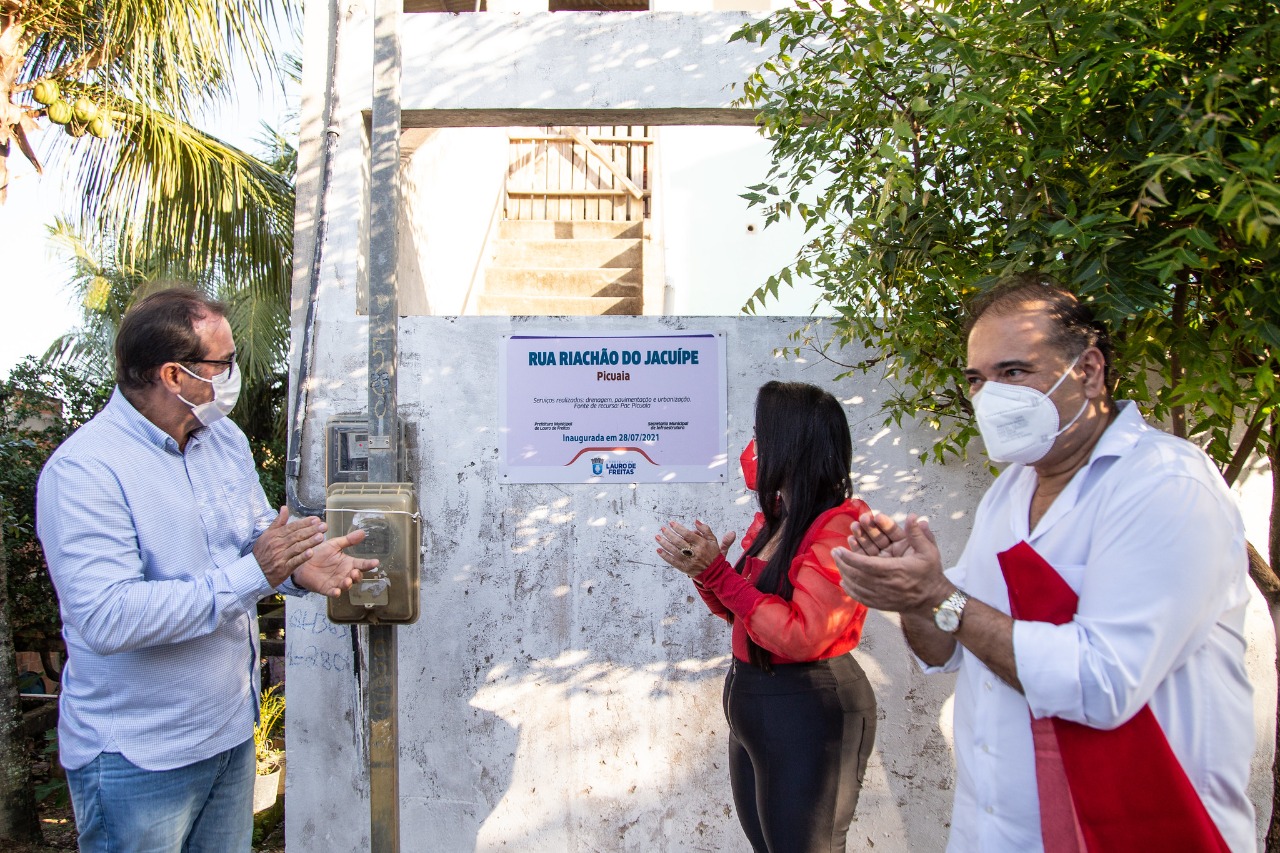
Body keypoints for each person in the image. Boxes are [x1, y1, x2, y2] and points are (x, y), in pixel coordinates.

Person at [833, 274, 1255, 852]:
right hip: (1003, 830)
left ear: (1087, 370)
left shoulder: (1163, 485)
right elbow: (950, 648)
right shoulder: (1008, 494)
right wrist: (912, 599)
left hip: (1136, 825)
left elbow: (1101, 686)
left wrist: (939, 596)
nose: (990, 396)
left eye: (1013, 372)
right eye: (977, 380)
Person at [36, 288, 377, 853]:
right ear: (174, 374)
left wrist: (299, 568)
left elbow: (255, 541)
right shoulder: (85, 472)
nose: (235, 373)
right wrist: (258, 570)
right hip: (140, 757)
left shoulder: (225, 440)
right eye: (223, 362)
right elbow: (107, 618)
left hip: (227, 737)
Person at [656, 380, 878, 853]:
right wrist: (707, 574)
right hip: (754, 701)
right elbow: (742, 615)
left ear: (792, 443)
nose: (752, 448)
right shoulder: (775, 519)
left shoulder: (840, 525)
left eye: (760, 434)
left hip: (807, 704)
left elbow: (802, 635)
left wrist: (719, 573)